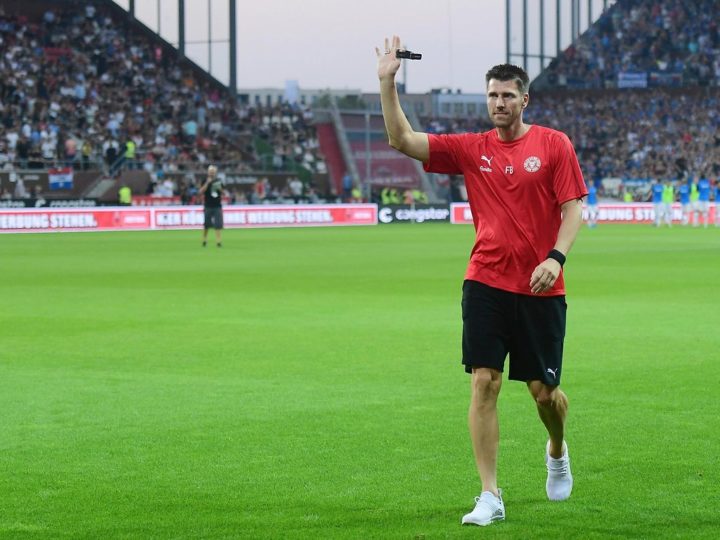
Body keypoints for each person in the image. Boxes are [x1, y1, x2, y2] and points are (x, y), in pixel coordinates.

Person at [376, 36, 586, 527]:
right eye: (492, 95)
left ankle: (556, 447)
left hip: (540, 287)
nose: (499, 103)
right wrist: (387, 83)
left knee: (543, 394)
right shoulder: (473, 150)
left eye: (508, 95)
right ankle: (489, 494)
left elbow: (573, 207)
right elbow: (402, 140)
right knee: (484, 383)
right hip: (486, 281)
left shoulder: (554, 144)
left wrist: (556, 257)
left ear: (524, 99)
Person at [199, 164, 223, 247]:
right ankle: (204, 240)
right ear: (208, 172)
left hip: (217, 205)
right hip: (208, 205)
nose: (212, 173)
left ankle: (218, 242)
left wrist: (218, 187)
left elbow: (223, 192)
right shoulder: (204, 180)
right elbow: (201, 191)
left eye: (213, 172)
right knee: (207, 224)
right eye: (210, 172)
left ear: (215, 172)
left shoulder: (219, 180)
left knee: (218, 225)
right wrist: (207, 183)